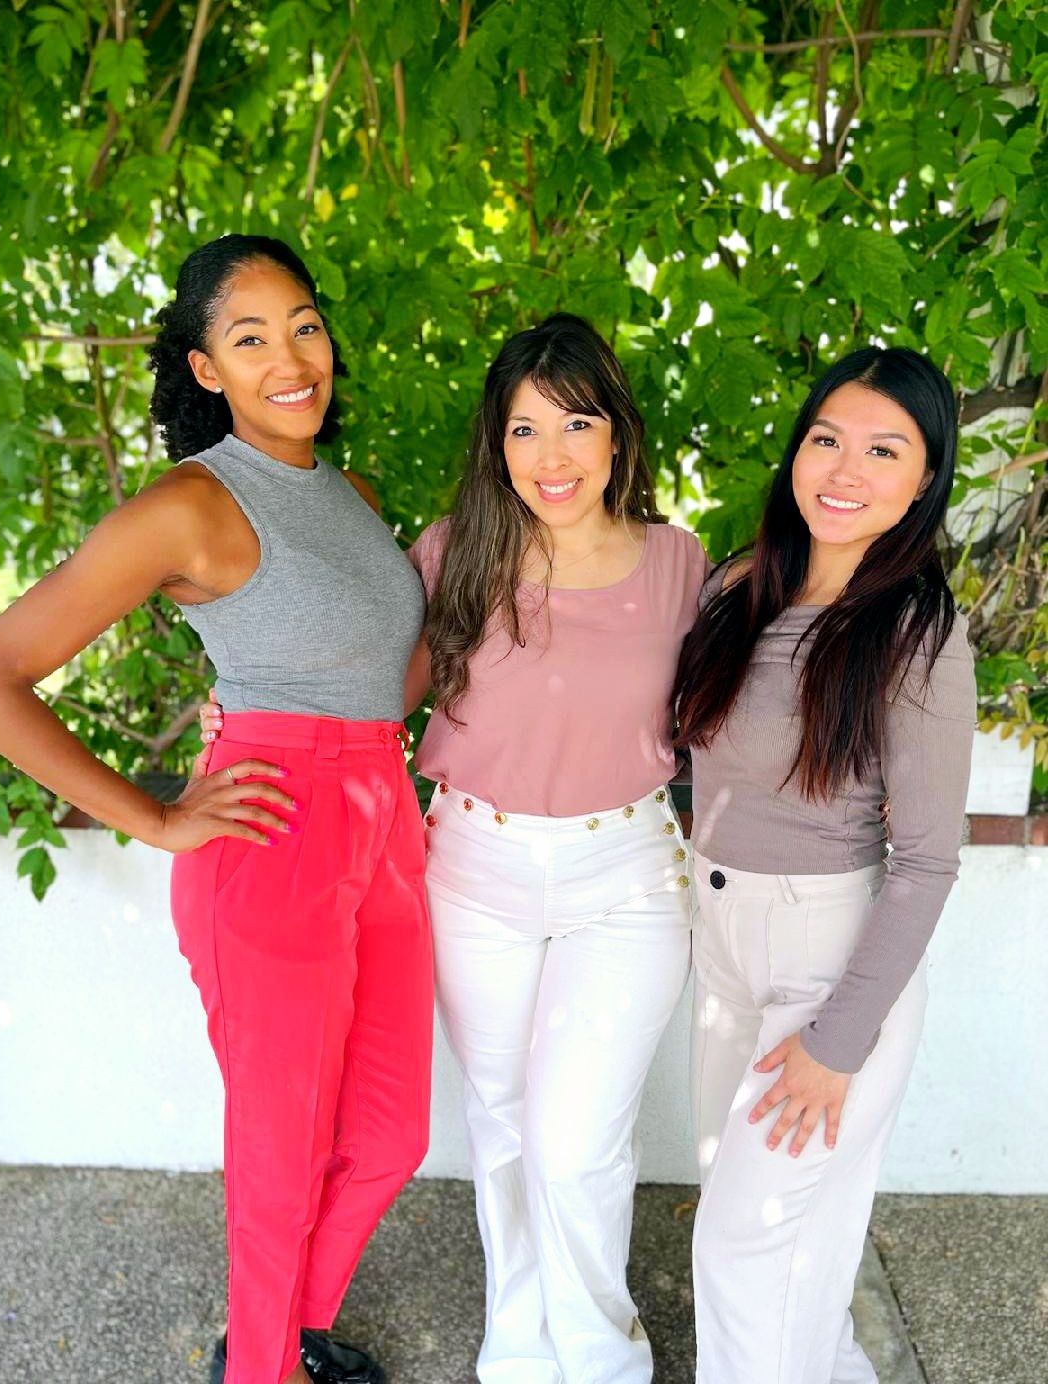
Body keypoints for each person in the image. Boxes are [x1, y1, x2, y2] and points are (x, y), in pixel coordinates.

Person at [202, 312, 707, 1382]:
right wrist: (250, 714)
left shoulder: (677, 562)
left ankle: (602, 1354)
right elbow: (363, 692)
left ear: (618, 432)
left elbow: (730, 706)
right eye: (524, 431)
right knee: (506, 1123)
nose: (552, 456)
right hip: (473, 867)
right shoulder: (453, 551)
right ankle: (519, 1345)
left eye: (576, 424)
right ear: (497, 443)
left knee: (578, 1144)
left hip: (626, 876)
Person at [0, 233, 432, 1384]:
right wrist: (159, 816)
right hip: (273, 832)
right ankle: (261, 1370)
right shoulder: (189, 508)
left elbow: (387, 672)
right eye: (250, 336)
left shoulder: (353, 493)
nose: (291, 357)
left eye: (305, 325)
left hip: (386, 824)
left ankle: (291, 1331)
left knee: (389, 1133)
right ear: (206, 366)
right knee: (283, 1155)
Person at [673, 346, 976, 1384]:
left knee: (742, 1243)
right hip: (723, 947)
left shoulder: (916, 630)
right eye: (827, 439)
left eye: (883, 451)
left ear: (923, 480)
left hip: (828, 966)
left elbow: (931, 859)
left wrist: (837, 1042)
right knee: (781, 1233)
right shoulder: (739, 585)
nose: (844, 470)